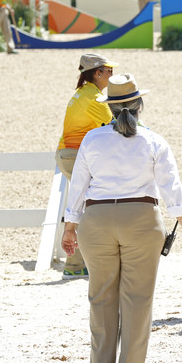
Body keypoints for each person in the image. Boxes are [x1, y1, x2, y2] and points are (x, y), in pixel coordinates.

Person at [61, 73, 182, 363]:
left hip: (96, 221)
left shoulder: (92, 139)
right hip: (141, 219)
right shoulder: (153, 140)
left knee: (100, 295)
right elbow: (171, 188)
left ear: (109, 108)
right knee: (137, 297)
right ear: (139, 105)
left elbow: (78, 188)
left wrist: (70, 227)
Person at [56, 53, 118, 279]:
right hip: (75, 155)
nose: (112, 74)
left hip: (69, 154)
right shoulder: (95, 98)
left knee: (85, 205)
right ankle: (75, 265)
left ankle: (79, 263)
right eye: (109, 70)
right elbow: (118, 124)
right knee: (88, 208)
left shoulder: (83, 93)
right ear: (97, 73)